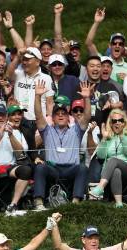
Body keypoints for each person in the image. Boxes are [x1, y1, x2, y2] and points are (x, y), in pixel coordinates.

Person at [33, 80, 93, 210]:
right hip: (53, 169)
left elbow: (87, 117)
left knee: (82, 168)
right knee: (40, 167)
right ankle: (39, 203)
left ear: (68, 117)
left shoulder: (76, 130)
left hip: (71, 169)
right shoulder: (47, 131)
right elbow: (38, 116)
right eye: (57, 114)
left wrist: (86, 98)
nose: (60, 115)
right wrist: (37, 96)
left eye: (63, 113)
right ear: (52, 118)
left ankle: (75, 202)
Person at [88, 109, 127, 208]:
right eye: (114, 121)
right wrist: (104, 139)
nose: (117, 123)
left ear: (124, 122)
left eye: (120, 120)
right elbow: (101, 156)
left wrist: (121, 135)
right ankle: (119, 203)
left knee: (113, 160)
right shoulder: (108, 137)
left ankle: (100, 187)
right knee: (116, 171)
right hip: (111, 171)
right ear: (110, 123)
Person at [85, 8, 127, 85]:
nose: (117, 46)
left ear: (124, 47)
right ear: (109, 46)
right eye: (114, 43)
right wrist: (96, 22)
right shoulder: (101, 61)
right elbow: (89, 43)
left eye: (120, 44)